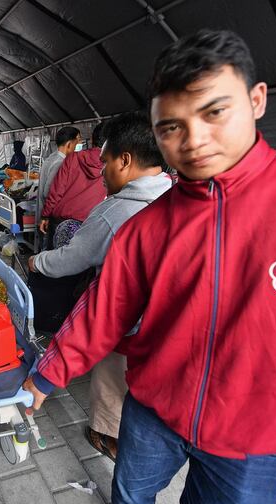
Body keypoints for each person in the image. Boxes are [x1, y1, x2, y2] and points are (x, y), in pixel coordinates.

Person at [23, 29, 276, 504]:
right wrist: (46, 374)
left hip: (257, 439)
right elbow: (104, 311)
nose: (193, 141)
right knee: (129, 503)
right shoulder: (146, 227)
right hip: (153, 413)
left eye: (214, 112)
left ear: (257, 101)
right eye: (170, 126)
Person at [28, 112, 171, 459]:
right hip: (164, 329)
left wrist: (37, 262)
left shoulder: (115, 212)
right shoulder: (178, 197)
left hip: (125, 327)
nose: (102, 173)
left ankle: (107, 435)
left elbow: (75, 262)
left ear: (125, 160)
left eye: (106, 162)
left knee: (111, 377)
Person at [39, 123, 106, 249]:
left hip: (61, 221)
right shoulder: (114, 166)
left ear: (92, 139)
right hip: (89, 224)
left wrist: (45, 215)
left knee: (52, 262)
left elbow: (56, 191)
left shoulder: (72, 158)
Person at [36, 127, 81, 250]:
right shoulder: (60, 163)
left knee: (44, 249)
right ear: (69, 144)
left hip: (44, 213)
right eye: (78, 142)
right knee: (49, 251)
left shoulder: (51, 158)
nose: (79, 146)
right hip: (49, 217)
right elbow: (48, 192)